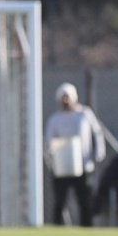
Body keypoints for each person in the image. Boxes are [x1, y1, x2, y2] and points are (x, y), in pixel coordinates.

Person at [44, 82, 105, 226]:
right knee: (60, 200)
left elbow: (96, 134)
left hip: (84, 166)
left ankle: (87, 228)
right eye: (62, 98)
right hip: (61, 167)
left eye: (68, 97)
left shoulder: (84, 114)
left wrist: (98, 153)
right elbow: (48, 142)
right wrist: (50, 160)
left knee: (84, 200)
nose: (65, 101)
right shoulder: (55, 120)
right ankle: (57, 228)